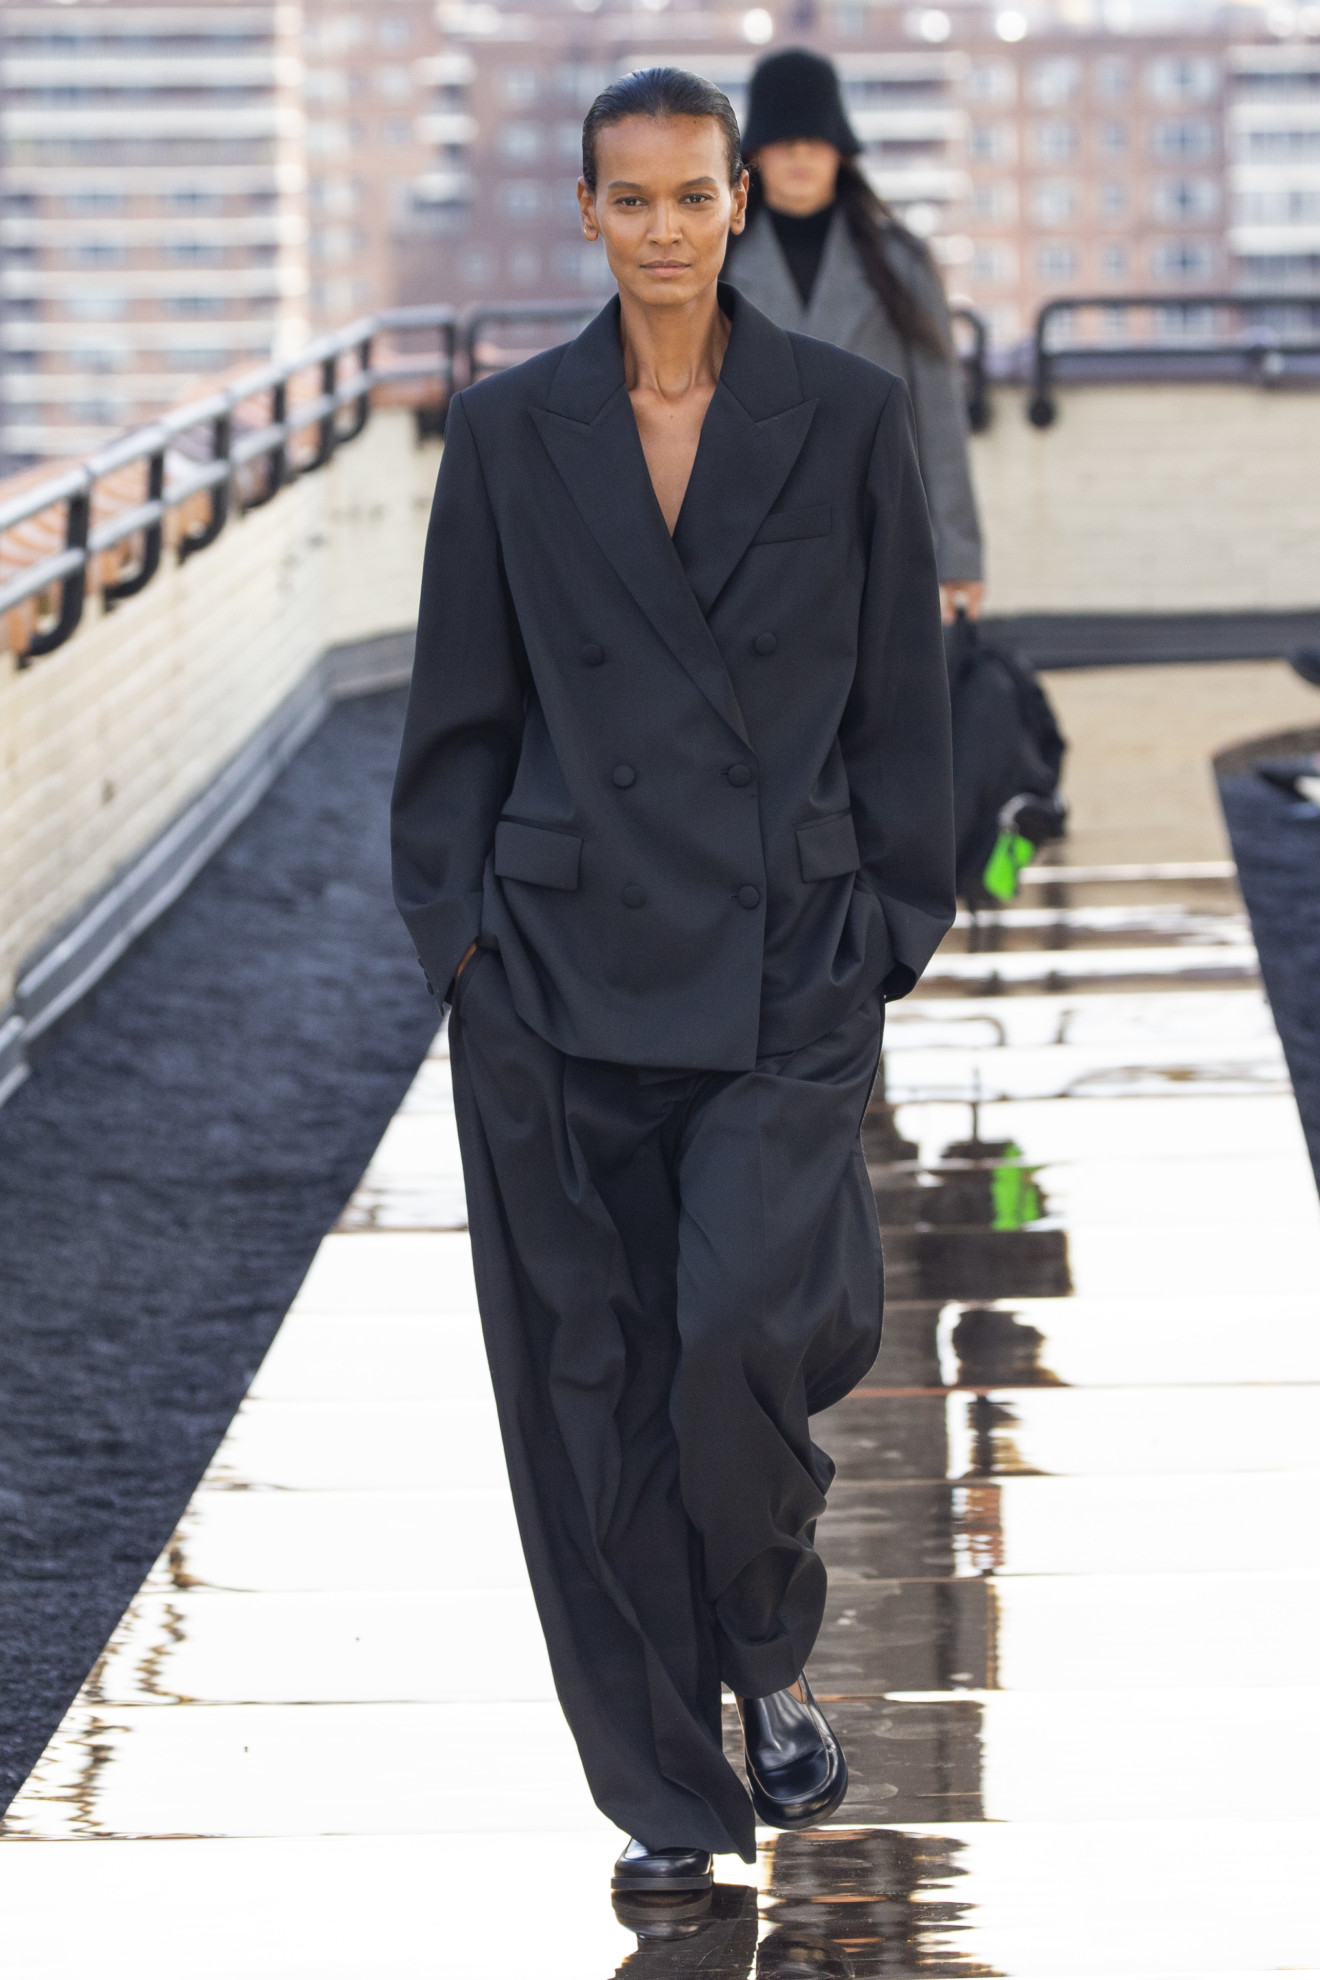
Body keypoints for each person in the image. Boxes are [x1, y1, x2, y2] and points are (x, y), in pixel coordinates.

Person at [391, 66, 954, 1896]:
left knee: (733, 1341)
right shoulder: (509, 432)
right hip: (558, 978)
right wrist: (461, 951)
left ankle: (766, 1649)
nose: (662, 229)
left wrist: (893, 927)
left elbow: (900, 699)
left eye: (691, 196)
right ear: (587, 211)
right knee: (591, 1393)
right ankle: (665, 1784)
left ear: (737, 202)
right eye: (627, 198)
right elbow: (460, 715)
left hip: (786, 963)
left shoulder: (847, 416)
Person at [726, 47, 984, 625]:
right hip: (745, 535)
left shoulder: (901, 263)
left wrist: (958, 555)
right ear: (755, 151)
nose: (798, 154)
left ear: (840, 147)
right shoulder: (714, 263)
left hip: (874, 524)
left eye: (814, 138)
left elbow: (939, 415)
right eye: (783, 139)